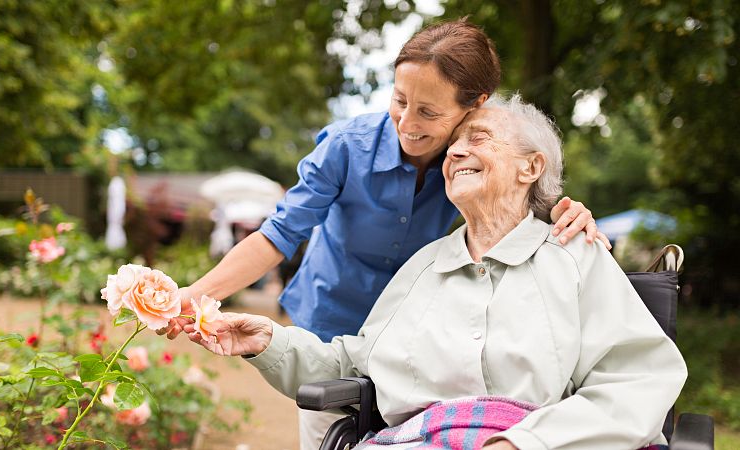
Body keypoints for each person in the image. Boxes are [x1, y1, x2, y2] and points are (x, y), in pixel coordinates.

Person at [163, 19, 608, 447]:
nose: (408, 123)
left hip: (413, 341)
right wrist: (195, 295)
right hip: (329, 321)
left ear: (474, 105)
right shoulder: (344, 147)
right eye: (399, 100)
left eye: (429, 112)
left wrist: (572, 211)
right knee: (327, 431)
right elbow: (278, 235)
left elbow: (526, 192)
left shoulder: (468, 160)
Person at [181, 94, 687, 449]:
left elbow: (639, 379)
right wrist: (267, 341)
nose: (457, 152)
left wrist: (524, 443)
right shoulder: (423, 266)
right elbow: (357, 368)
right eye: (454, 145)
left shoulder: (576, 256)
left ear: (530, 168)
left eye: (480, 138)